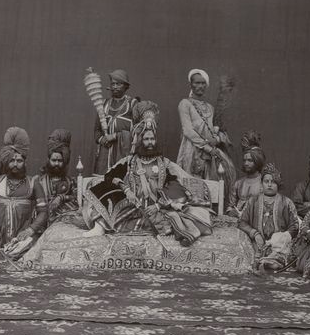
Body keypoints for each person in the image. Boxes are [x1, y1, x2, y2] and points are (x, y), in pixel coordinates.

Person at [84, 101, 213, 245]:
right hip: (133, 207)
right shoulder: (129, 161)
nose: (150, 142)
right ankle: (100, 226)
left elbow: (174, 185)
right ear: (140, 141)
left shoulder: (164, 163)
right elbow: (109, 176)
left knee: (175, 219)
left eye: (152, 139)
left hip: (157, 209)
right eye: (146, 139)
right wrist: (126, 190)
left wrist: (158, 205)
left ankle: (183, 234)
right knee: (103, 188)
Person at [0, 127, 48, 259]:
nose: (15, 164)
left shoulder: (33, 184)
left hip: (24, 238)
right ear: (6, 162)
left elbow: (43, 212)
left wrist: (31, 230)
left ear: (25, 162)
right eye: (12, 160)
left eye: (19, 161)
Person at [176, 68, 236, 196]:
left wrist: (217, 139)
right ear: (191, 84)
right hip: (191, 151)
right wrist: (208, 148)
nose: (200, 86)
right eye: (197, 83)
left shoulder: (211, 108)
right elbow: (188, 131)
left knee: (210, 189)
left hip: (210, 156)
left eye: (203, 83)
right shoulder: (184, 104)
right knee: (192, 190)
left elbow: (217, 130)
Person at [238, 163, 299, 271]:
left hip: (279, 247)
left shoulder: (286, 202)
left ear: (278, 184)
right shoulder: (253, 201)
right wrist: (255, 234)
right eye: (266, 181)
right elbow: (242, 222)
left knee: (282, 256)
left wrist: (281, 238)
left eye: (273, 182)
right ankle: (260, 261)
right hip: (256, 243)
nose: (270, 185)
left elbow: (294, 226)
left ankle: (272, 261)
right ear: (261, 184)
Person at [93, 69, 138, 174]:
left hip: (124, 153)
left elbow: (138, 132)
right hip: (104, 155)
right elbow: (97, 130)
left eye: (118, 84)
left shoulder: (133, 104)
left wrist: (115, 136)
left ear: (126, 86)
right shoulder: (104, 105)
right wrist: (102, 140)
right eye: (112, 84)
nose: (114, 86)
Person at [37, 129, 78, 225]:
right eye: (54, 160)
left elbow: (77, 199)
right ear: (49, 160)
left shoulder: (70, 181)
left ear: (64, 162)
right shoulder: (39, 181)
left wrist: (62, 198)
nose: (56, 163)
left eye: (60, 161)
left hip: (63, 223)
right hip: (41, 223)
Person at [227, 131, 265, 217]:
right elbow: (230, 206)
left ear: (257, 162)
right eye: (244, 160)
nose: (246, 163)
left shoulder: (265, 183)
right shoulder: (238, 183)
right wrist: (231, 212)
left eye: (250, 160)